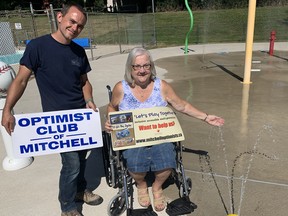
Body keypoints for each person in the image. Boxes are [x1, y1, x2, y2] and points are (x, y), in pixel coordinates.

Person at [1, 3, 103, 216]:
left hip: (80, 118)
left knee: (81, 157)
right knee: (71, 163)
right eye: (72, 21)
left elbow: (85, 82)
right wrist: (8, 109)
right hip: (56, 121)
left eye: (80, 26)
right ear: (59, 17)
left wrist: (90, 99)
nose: (75, 28)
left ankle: (79, 190)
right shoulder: (38, 47)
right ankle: (67, 207)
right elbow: (20, 80)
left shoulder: (78, 51)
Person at [105, 47, 224, 212]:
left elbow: (181, 105)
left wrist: (205, 117)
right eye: (137, 66)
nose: (142, 70)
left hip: (160, 135)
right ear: (130, 68)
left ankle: (157, 186)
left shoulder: (161, 86)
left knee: (167, 159)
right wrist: (110, 121)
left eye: (146, 66)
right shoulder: (121, 88)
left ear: (151, 66)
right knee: (134, 162)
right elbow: (112, 107)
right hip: (133, 137)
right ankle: (141, 185)